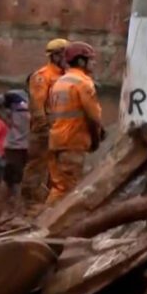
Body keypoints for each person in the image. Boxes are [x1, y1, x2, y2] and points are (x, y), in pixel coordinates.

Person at [45, 42, 103, 206]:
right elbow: (94, 117)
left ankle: (43, 222)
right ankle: (51, 225)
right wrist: (96, 139)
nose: (94, 63)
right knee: (68, 191)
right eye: (91, 60)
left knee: (59, 187)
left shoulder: (59, 82)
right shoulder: (83, 83)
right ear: (81, 61)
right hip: (73, 142)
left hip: (56, 141)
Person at [25, 38, 68, 201]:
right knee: (37, 165)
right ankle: (29, 200)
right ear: (55, 56)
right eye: (64, 55)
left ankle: (49, 200)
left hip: (60, 129)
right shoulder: (42, 76)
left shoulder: (65, 76)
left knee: (56, 168)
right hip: (45, 130)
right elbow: (37, 105)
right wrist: (43, 128)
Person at [0, 88, 30, 202]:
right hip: (15, 145)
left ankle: (17, 206)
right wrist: (4, 117)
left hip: (32, 146)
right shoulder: (17, 96)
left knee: (26, 178)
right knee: (12, 178)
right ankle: (7, 206)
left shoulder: (44, 99)